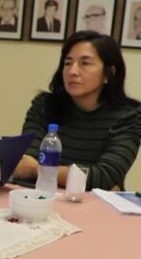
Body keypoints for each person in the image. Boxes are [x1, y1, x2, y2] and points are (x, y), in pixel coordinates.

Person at [13, 31, 141, 191]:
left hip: (92, 209)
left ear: (109, 74)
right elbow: (25, 163)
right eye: (67, 63)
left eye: (85, 63)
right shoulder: (44, 105)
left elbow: (104, 177)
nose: (72, 71)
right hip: (39, 200)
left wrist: (38, 170)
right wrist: (40, 170)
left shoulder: (130, 116)